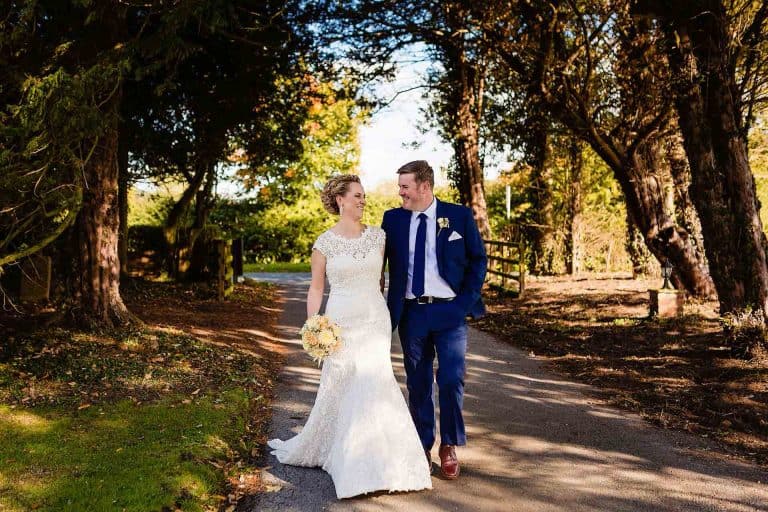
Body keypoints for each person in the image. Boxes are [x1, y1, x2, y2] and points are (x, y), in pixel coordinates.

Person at [268, 174, 432, 499]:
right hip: (340, 323)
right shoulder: (324, 243)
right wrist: (313, 324)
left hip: (374, 319)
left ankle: (391, 464)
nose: (362, 200)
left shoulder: (378, 237)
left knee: (375, 383)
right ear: (340, 199)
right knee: (347, 384)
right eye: (357, 195)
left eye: (363, 196)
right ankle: (352, 461)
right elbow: (316, 288)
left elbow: (383, 281)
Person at [381, 160, 487, 480]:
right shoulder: (392, 219)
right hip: (411, 312)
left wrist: (463, 303)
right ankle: (422, 445)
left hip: (449, 311)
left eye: (405, 187)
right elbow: (376, 262)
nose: (400, 193)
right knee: (418, 382)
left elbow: (478, 260)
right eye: (400, 187)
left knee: (452, 378)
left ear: (424, 186)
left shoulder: (459, 216)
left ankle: (449, 444)